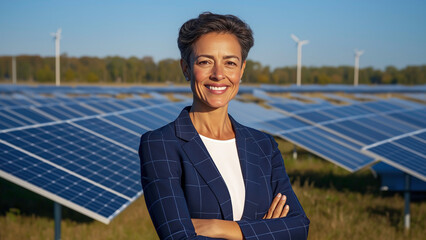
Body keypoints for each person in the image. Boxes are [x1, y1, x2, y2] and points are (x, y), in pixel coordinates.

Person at [139, 12, 310, 239]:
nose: (219, 74)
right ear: (186, 68)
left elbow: (299, 227)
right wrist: (265, 231)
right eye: (205, 62)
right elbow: (178, 236)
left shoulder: (263, 145)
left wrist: (220, 228)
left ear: (241, 70)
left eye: (230, 63)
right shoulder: (161, 144)